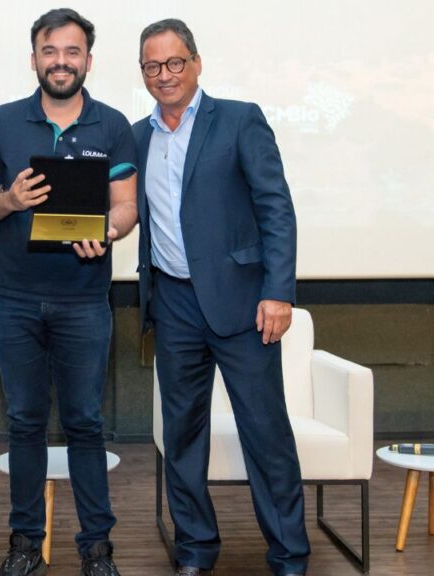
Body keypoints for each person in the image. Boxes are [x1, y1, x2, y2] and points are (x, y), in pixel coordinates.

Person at [133, 19, 309, 576]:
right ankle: (195, 549)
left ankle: (289, 554)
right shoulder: (136, 136)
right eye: (153, 67)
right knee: (182, 438)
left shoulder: (238, 119)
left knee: (266, 433)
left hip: (243, 304)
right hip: (173, 304)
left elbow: (275, 208)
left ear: (197, 62)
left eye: (175, 62)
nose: (165, 75)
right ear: (143, 73)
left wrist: (278, 292)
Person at [0, 8, 137, 576]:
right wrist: (10, 201)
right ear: (34, 57)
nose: (60, 62)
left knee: (87, 422)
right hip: (14, 297)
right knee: (23, 423)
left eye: (72, 52)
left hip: (85, 300)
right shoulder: (3, 121)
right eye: (50, 51)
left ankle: (96, 549)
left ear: (88, 59)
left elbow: (126, 205)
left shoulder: (113, 124)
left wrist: (110, 232)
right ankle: (24, 546)